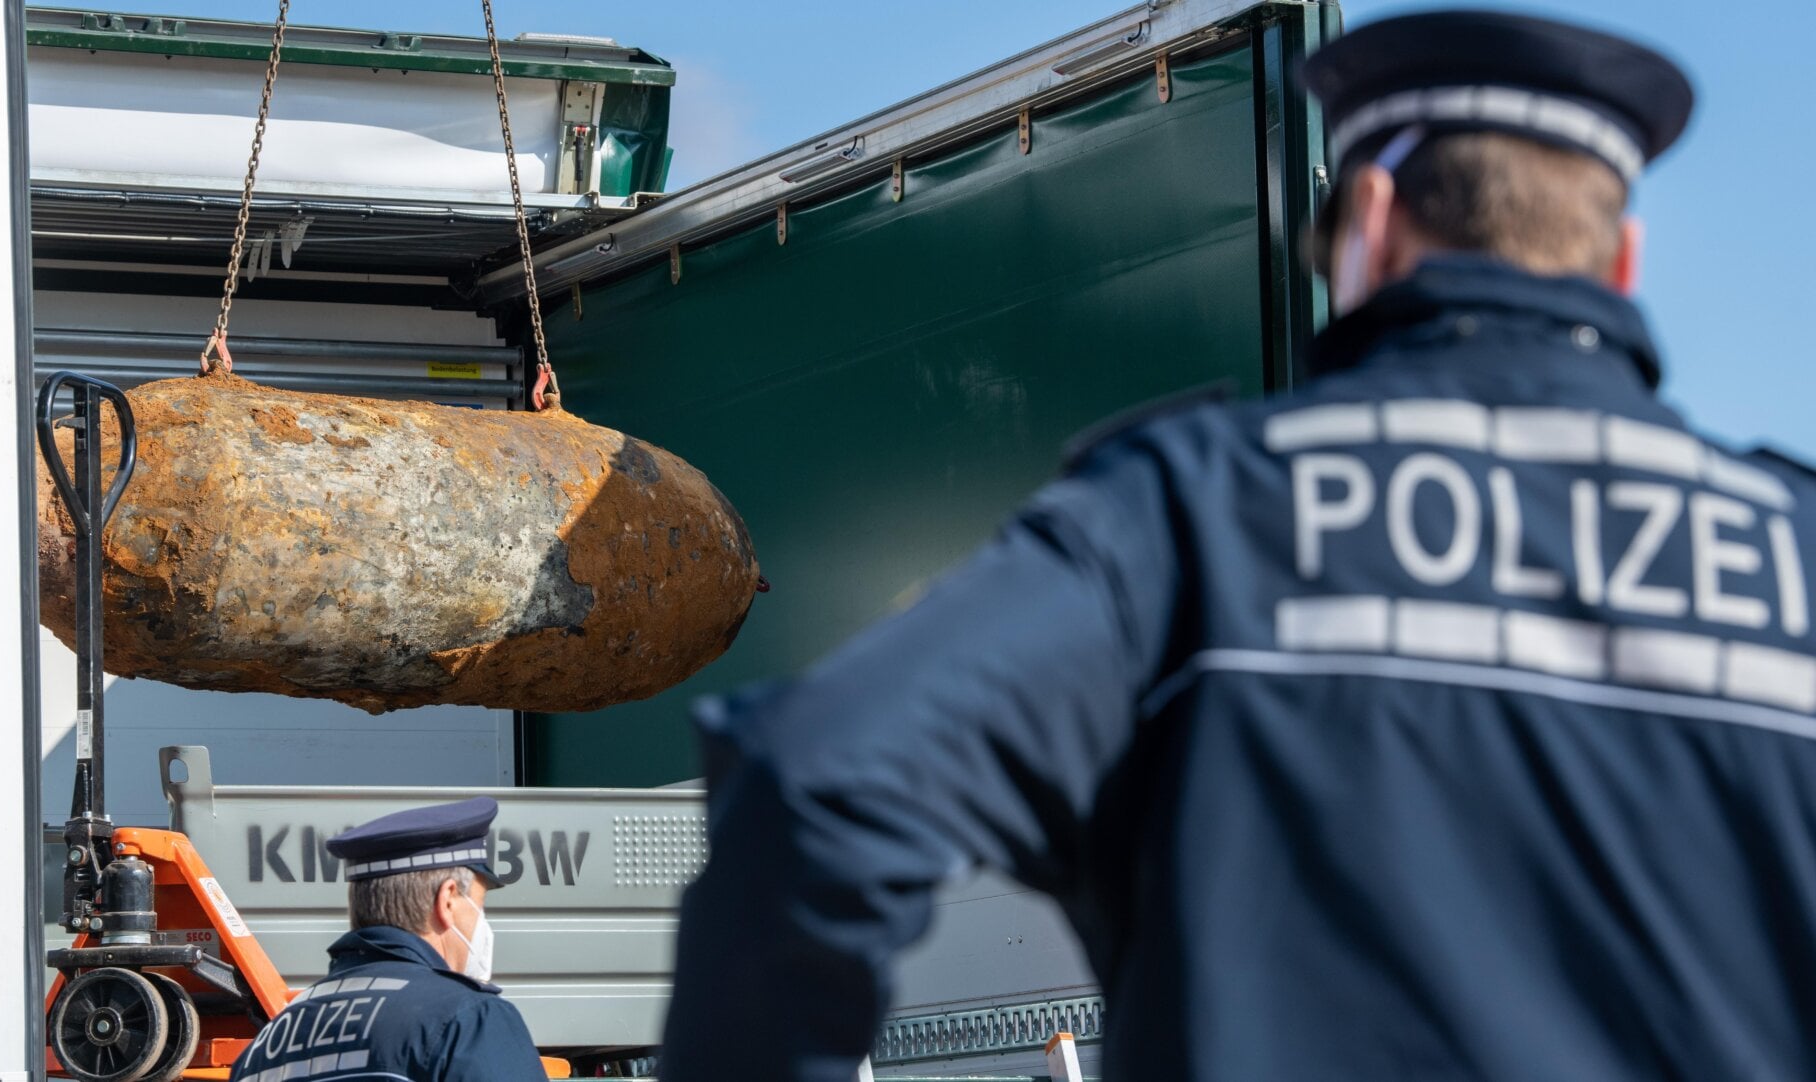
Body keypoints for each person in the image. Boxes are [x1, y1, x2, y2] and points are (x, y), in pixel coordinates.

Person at [661, 10, 1816, 1081]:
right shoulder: (1794, 551)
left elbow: (818, 778)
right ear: (1623, 262)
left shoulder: (1193, 516)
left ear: (1364, 220)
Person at [228, 797, 550, 1081]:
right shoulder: (467, 1019)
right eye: (478, 905)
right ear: (447, 900)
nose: (481, 923)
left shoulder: (266, 1045)